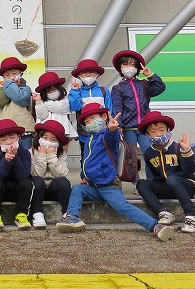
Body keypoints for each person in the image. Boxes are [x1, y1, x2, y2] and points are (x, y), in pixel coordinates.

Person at [56, 103, 173, 242]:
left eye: (93, 118)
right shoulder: (90, 138)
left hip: (108, 186)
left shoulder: (107, 135)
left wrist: (112, 130)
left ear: (103, 116)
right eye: (86, 121)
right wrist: (84, 176)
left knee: (123, 207)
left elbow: (112, 139)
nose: (90, 122)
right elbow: (87, 160)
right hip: (93, 186)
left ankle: (155, 226)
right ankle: (73, 217)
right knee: (77, 189)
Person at [136, 111, 195, 234]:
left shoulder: (177, 147)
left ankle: (192, 216)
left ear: (168, 130)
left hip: (186, 185)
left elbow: (189, 170)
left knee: (172, 179)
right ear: (147, 135)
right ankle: (163, 212)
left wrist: (187, 152)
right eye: (153, 131)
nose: (158, 134)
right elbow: (156, 177)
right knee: (141, 183)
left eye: (162, 130)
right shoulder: (149, 153)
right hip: (168, 186)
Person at [110, 50, 166, 171]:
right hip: (128, 128)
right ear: (120, 67)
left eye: (132, 64)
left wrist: (150, 75)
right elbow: (117, 108)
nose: (128, 67)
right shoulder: (117, 88)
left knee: (150, 154)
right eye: (125, 64)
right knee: (131, 158)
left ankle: (153, 180)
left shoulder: (144, 84)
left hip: (145, 127)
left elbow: (160, 88)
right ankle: (135, 180)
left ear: (137, 67)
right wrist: (119, 126)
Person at [0, 118, 34, 230]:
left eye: (12, 138)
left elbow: (23, 174)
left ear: (19, 137)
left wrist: (15, 157)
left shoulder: (25, 153)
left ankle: (22, 215)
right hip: (1, 190)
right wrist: (6, 161)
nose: (9, 142)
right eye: (4, 139)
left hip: (17, 190)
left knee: (27, 183)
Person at [30, 119, 72, 228]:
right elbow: (35, 174)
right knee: (36, 181)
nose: (48, 142)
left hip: (53, 190)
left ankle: (68, 214)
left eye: (53, 139)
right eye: (45, 138)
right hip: (38, 191)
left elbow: (62, 174)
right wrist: (42, 156)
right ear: (39, 138)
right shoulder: (32, 152)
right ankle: (37, 214)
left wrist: (52, 157)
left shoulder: (61, 155)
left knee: (63, 182)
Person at [0, 57, 36, 151]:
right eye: (7, 75)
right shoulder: (2, 90)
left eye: (14, 73)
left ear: (21, 74)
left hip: (24, 129)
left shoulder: (25, 88)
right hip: (6, 130)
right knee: (7, 156)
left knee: (25, 155)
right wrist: (9, 85)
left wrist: (10, 85)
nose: (11, 77)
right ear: (3, 78)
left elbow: (22, 99)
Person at [32, 71, 75, 142]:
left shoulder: (66, 99)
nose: (52, 92)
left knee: (62, 148)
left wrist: (45, 105)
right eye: (49, 91)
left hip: (63, 131)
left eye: (54, 89)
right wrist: (39, 102)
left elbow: (60, 108)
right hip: (45, 132)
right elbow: (42, 116)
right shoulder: (41, 102)